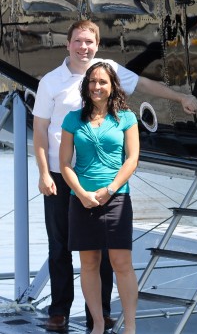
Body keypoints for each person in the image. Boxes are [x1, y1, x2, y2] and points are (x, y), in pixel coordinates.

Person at [32, 20, 197, 332]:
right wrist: (43, 173)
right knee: (61, 247)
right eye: (78, 42)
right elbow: (40, 130)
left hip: (102, 180)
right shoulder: (51, 82)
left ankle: (102, 314)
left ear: (96, 45)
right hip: (61, 173)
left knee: (103, 252)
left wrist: (180, 98)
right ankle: (59, 310)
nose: (84, 48)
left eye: (89, 42)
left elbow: (145, 85)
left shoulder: (105, 70)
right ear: (68, 44)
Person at [59, 62, 139, 334]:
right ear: (86, 85)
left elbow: (132, 159)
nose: (97, 86)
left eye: (103, 82)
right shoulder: (73, 119)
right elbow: (65, 164)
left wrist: (110, 189)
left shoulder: (127, 118)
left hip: (116, 199)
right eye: (92, 81)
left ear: (112, 85)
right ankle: (97, 325)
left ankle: (130, 327)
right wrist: (81, 194)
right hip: (81, 200)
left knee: (121, 264)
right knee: (89, 264)